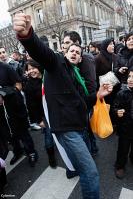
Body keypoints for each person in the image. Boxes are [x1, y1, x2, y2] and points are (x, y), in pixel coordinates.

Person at [13, 12, 113, 199]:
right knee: (90, 172)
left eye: (78, 52)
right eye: (71, 51)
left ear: (81, 58)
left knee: (84, 168)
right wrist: (27, 35)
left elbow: (83, 100)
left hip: (80, 125)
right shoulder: (56, 63)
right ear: (65, 53)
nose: (74, 53)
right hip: (67, 128)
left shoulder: (77, 76)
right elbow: (40, 51)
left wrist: (98, 94)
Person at [0, 60, 38, 167]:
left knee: (23, 132)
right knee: (9, 134)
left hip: (14, 107)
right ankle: (18, 151)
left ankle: (31, 152)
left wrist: (4, 94)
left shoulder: (6, 67)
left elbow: (18, 84)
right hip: (2, 113)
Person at [112, 67, 133, 179]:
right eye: (129, 76)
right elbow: (114, 107)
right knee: (123, 149)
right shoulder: (122, 93)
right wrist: (116, 112)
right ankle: (119, 166)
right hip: (125, 128)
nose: (130, 79)